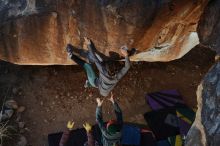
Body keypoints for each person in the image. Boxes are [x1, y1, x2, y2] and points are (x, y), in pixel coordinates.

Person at [66, 37, 130, 97]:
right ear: (116, 71)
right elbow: (127, 67)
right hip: (104, 91)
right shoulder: (117, 76)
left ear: (106, 70)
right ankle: (88, 84)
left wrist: (89, 44)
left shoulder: (104, 72)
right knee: (97, 62)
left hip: (94, 82)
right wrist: (126, 55)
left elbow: (95, 59)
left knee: (88, 66)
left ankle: (71, 56)